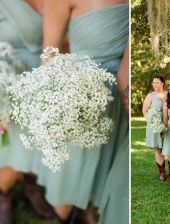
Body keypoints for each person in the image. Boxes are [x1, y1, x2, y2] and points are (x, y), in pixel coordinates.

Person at [40, 1, 129, 223]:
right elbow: (48, 55)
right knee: (70, 176)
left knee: (102, 173)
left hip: (119, 105)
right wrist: (52, 105)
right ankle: (62, 217)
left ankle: (87, 211)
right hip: (77, 98)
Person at [0, 0, 53, 223]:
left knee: (39, 152)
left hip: (46, 88)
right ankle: (4, 196)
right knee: (8, 160)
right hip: (3, 91)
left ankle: (31, 188)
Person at [142, 76, 167, 181]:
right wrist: (151, 120)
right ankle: (162, 172)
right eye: (153, 83)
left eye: (157, 82)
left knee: (168, 147)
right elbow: (145, 110)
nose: (155, 85)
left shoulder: (167, 94)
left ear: (162, 83)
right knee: (158, 148)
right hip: (154, 124)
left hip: (167, 123)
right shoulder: (150, 95)